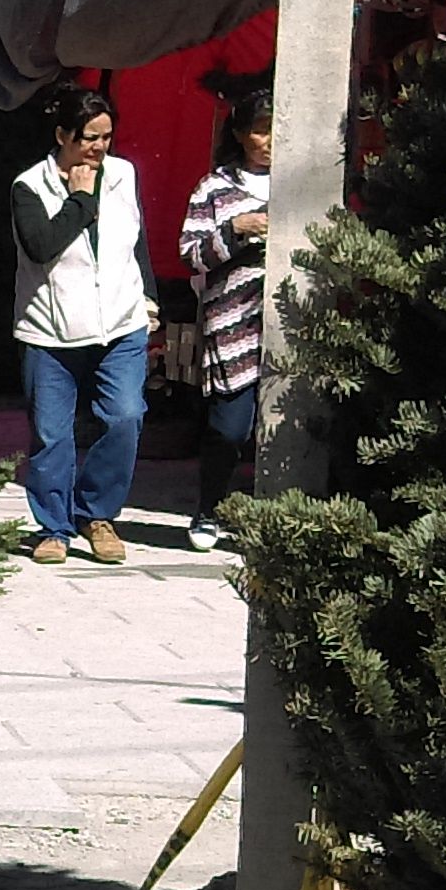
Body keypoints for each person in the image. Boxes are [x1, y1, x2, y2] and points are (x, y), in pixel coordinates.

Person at [7, 85, 151, 565]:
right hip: (50, 329)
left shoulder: (124, 175)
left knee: (125, 416)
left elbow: (136, 241)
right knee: (52, 433)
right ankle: (54, 527)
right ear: (62, 136)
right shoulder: (29, 187)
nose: (99, 148)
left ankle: (98, 514)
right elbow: (41, 246)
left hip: (120, 321)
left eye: (107, 137)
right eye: (89, 137)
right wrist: (80, 200)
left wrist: (149, 299)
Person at [179, 90, 274, 552]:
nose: (270, 140)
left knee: (281, 427)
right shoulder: (213, 188)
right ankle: (209, 508)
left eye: (277, 128)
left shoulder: (303, 180)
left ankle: (271, 516)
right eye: (259, 129)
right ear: (239, 134)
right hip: (233, 324)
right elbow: (191, 255)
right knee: (230, 426)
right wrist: (235, 231)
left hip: (290, 321)